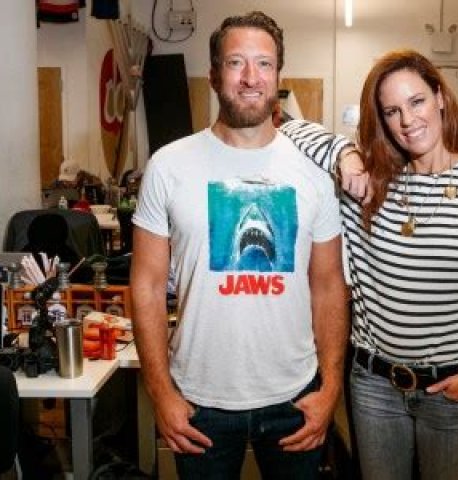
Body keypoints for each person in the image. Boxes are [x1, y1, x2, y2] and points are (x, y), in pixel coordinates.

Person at [282, 49, 458, 480]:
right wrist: (346, 152)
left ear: (440, 97)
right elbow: (289, 127)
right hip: (375, 389)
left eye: (417, 102)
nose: (407, 120)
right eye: (392, 111)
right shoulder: (367, 186)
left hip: (454, 389)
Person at [130, 11, 349, 480]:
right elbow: (146, 286)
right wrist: (161, 392)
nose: (251, 77)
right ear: (214, 75)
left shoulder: (313, 171)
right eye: (236, 63)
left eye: (264, 64)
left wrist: (330, 388)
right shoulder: (168, 165)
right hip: (198, 400)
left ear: (278, 76)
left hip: (295, 397)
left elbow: (329, 285)